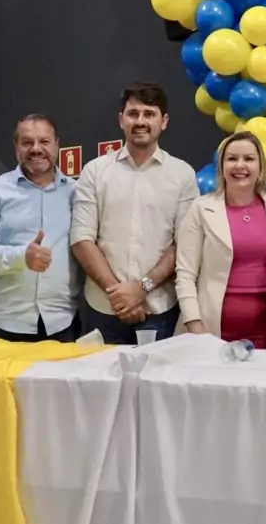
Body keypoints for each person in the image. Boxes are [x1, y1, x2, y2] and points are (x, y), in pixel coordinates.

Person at [70, 82, 198, 344]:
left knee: (156, 385)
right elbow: (82, 240)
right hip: (103, 308)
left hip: (158, 310)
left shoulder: (182, 174)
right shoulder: (95, 171)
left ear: (164, 121)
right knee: (98, 384)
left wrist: (141, 289)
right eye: (133, 113)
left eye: (149, 114)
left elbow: (184, 244)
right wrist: (119, 296)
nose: (141, 121)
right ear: (121, 120)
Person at [0, 114, 80, 342]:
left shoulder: (76, 192)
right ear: (16, 147)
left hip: (62, 322)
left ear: (57, 144)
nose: (35, 149)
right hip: (5, 323)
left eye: (44, 142)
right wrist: (21, 256)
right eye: (27, 142)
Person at [176, 131, 266, 348]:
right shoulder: (200, 209)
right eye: (232, 158)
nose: (240, 165)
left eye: (249, 159)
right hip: (209, 330)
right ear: (221, 167)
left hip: (264, 331)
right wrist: (195, 326)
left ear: (261, 169)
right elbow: (185, 274)